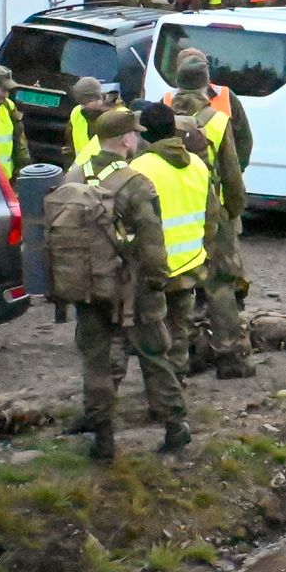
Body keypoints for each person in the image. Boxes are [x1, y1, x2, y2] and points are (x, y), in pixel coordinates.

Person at [59, 106, 180, 462]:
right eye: (135, 134)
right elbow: (151, 240)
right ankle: (175, 426)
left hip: (89, 283)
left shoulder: (75, 175)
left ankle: (103, 438)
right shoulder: (136, 182)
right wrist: (159, 280)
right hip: (133, 285)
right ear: (127, 138)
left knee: (95, 360)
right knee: (154, 353)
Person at [126, 102, 211, 451]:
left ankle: (164, 406)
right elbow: (213, 216)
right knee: (179, 329)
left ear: (144, 132)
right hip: (190, 262)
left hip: (154, 269)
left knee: (151, 341)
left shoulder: (140, 168)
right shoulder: (199, 165)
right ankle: (177, 382)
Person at [167, 54, 252, 378]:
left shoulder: (159, 117)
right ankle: (228, 357)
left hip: (170, 216)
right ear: (207, 81)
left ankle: (187, 355)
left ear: (177, 82)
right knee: (220, 286)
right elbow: (232, 176)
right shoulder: (216, 121)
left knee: (177, 287)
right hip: (211, 214)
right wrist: (233, 211)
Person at [67, 76, 124, 165]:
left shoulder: (118, 115)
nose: (83, 107)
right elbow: (71, 142)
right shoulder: (77, 112)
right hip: (82, 169)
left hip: (108, 170)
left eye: (87, 103)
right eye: (81, 104)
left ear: (99, 98)